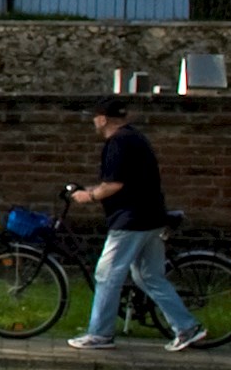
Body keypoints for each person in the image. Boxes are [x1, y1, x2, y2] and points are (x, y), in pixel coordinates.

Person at [65, 98, 201, 351]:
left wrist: (89, 196)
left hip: (130, 220)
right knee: (149, 276)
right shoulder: (135, 138)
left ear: (103, 119)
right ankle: (187, 327)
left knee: (107, 274)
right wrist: (95, 190)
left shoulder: (117, 143)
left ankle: (100, 334)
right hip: (151, 218)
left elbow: (115, 184)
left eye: (95, 117)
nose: (94, 122)